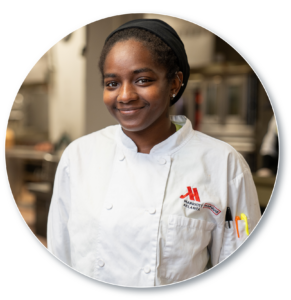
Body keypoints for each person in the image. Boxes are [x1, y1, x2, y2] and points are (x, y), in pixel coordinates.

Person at [47, 19, 261, 287]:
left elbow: (236, 256)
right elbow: (59, 253)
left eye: (142, 80)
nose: (125, 95)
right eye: (112, 83)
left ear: (174, 83)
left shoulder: (224, 164)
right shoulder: (78, 157)